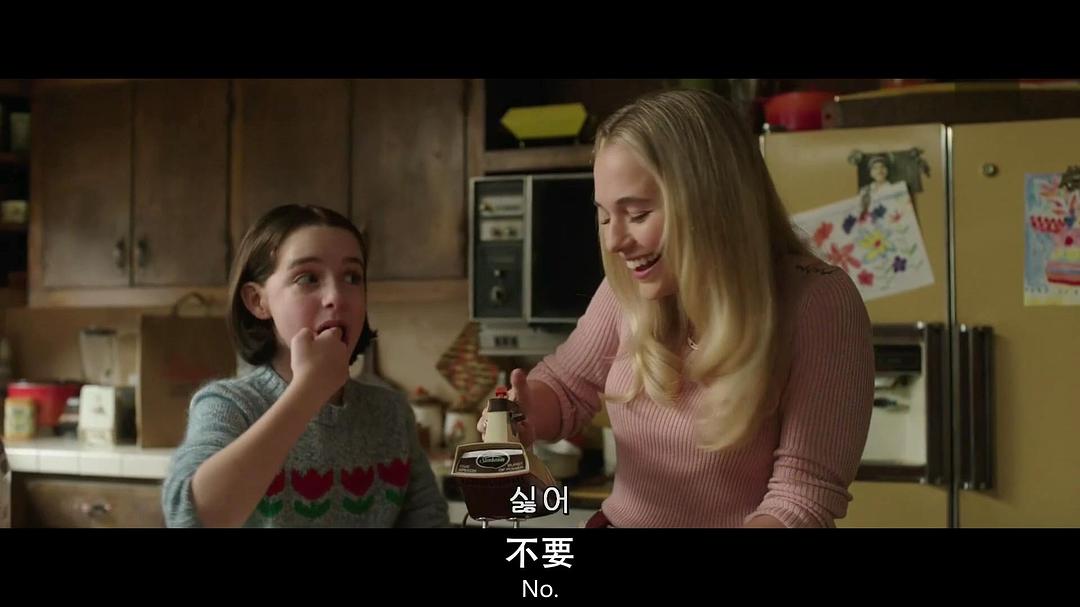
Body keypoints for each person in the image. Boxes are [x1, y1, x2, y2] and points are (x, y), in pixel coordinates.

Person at [479, 89, 874, 527]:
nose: (614, 241)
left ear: (711, 203)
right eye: (605, 216)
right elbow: (567, 386)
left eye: (637, 214)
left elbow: (801, 498)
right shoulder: (629, 287)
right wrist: (526, 410)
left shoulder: (818, 303)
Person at [162, 204, 448, 527]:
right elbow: (191, 517)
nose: (336, 297)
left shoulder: (391, 413)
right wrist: (308, 390)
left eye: (352, 277)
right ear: (257, 301)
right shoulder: (229, 406)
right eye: (308, 278)